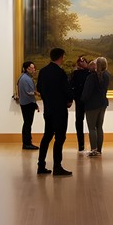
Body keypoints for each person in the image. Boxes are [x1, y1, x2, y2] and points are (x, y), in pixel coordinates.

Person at [35, 47, 72, 177]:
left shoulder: (43, 72)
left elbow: (39, 88)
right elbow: (67, 90)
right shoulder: (60, 73)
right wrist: (69, 100)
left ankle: (41, 165)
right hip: (60, 110)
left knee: (47, 136)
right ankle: (57, 167)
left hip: (48, 109)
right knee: (60, 137)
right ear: (61, 57)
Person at [81, 57, 110, 157]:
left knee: (92, 128)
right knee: (99, 127)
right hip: (103, 103)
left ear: (97, 65)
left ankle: (94, 149)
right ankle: (99, 149)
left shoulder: (92, 77)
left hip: (92, 105)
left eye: (93, 62)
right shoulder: (107, 75)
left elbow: (86, 93)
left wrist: (82, 100)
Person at [69, 56, 90, 152]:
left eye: (83, 61)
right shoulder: (88, 74)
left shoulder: (77, 74)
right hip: (82, 101)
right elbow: (70, 86)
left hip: (82, 100)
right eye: (80, 62)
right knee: (82, 123)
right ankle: (82, 144)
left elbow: (70, 86)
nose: (82, 63)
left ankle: (82, 145)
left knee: (81, 122)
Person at [17, 61, 39, 150]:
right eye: (32, 68)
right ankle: (27, 143)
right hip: (27, 104)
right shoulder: (25, 79)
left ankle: (27, 142)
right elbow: (29, 92)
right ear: (27, 69)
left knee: (27, 124)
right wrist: (38, 94)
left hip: (26, 103)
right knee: (27, 124)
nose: (34, 69)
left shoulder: (24, 77)